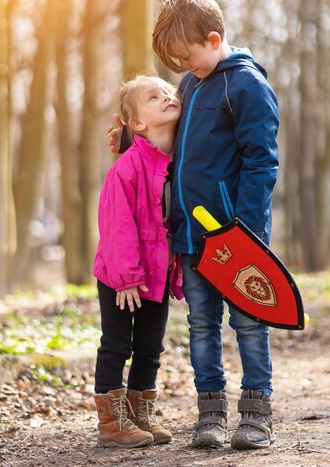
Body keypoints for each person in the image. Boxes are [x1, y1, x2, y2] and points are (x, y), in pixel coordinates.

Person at [108, 0, 279, 451]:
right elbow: (169, 145)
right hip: (188, 235)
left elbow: (262, 162)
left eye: (188, 58)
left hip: (236, 237)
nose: (183, 70)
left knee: (248, 322)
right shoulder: (191, 85)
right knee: (202, 325)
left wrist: (245, 226)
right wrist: (129, 140)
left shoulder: (246, 86)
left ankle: (256, 413)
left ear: (213, 37)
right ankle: (210, 416)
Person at [93, 75, 184, 449]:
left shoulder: (178, 162)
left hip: (156, 273)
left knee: (150, 345)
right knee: (117, 344)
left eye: (167, 92)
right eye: (153, 96)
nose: (166, 97)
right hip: (122, 275)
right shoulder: (128, 167)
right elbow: (117, 225)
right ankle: (111, 421)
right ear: (138, 124)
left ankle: (141, 410)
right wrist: (126, 277)